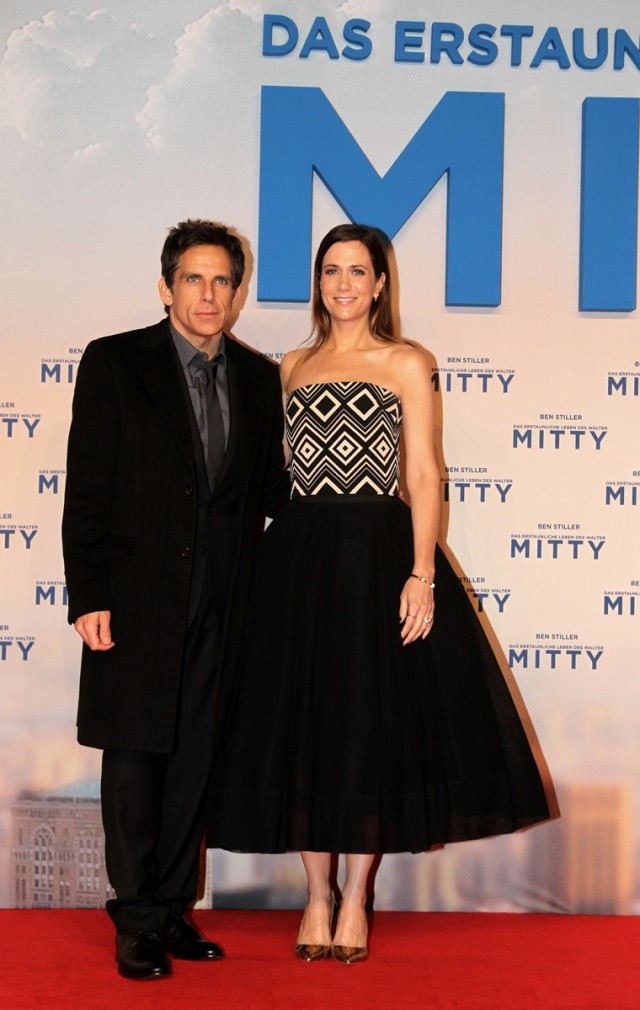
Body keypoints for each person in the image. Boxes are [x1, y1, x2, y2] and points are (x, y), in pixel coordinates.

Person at [209, 222, 551, 964]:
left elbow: (423, 472)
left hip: (380, 556)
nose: (343, 284)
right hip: (298, 561)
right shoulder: (290, 366)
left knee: (367, 727)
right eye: (331, 270)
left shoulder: (407, 361)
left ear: (380, 284)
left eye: (357, 271)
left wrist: (421, 573)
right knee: (305, 726)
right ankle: (316, 895)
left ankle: (357, 897)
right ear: (318, 282)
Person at [62, 219, 287, 980]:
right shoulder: (116, 363)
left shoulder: (257, 379)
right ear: (166, 287)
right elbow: (87, 490)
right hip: (134, 602)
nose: (208, 294)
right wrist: (89, 593)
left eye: (222, 280)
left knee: (195, 761)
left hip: (224, 605)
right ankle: (134, 919)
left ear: (237, 292)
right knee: (134, 763)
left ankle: (170, 910)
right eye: (193, 278)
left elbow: (269, 494)